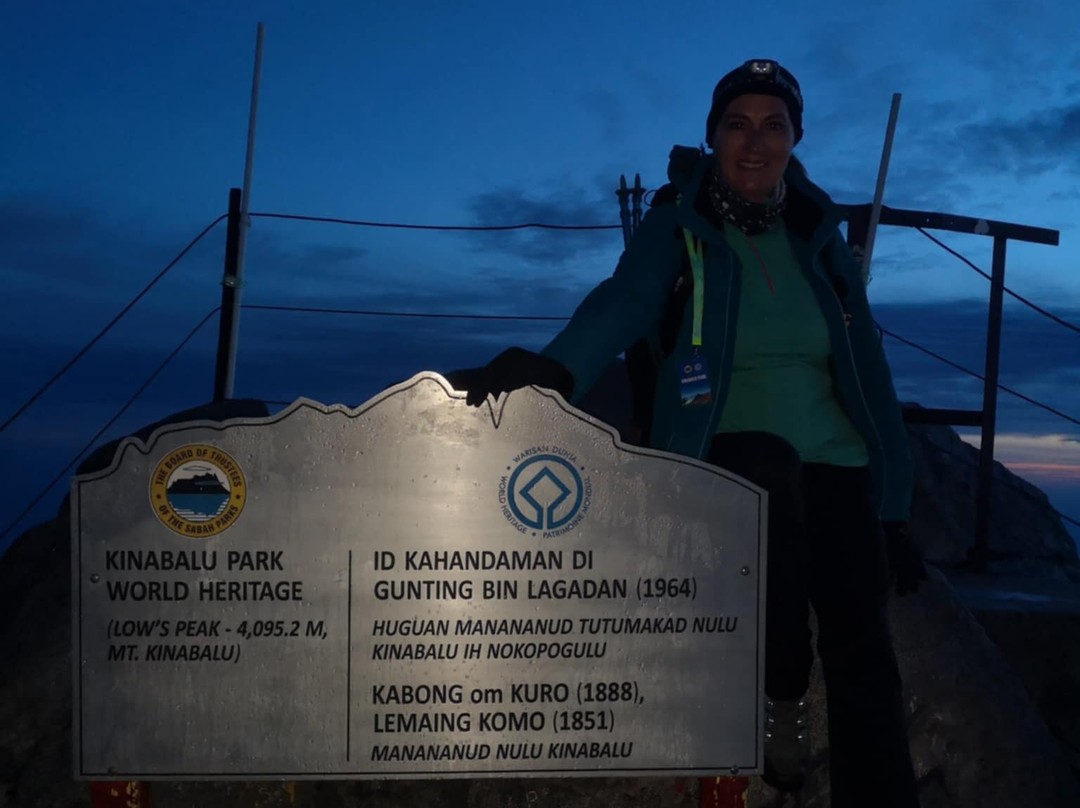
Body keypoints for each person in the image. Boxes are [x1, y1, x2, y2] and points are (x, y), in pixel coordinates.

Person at [450, 59, 927, 806]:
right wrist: (554, 371)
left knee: (863, 640)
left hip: (834, 455)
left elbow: (867, 365)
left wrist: (893, 499)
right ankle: (781, 696)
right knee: (767, 470)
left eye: (774, 126)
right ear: (713, 136)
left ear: (795, 139)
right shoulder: (680, 222)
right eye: (738, 124)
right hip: (723, 447)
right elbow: (625, 300)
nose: (756, 142)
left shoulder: (818, 238)